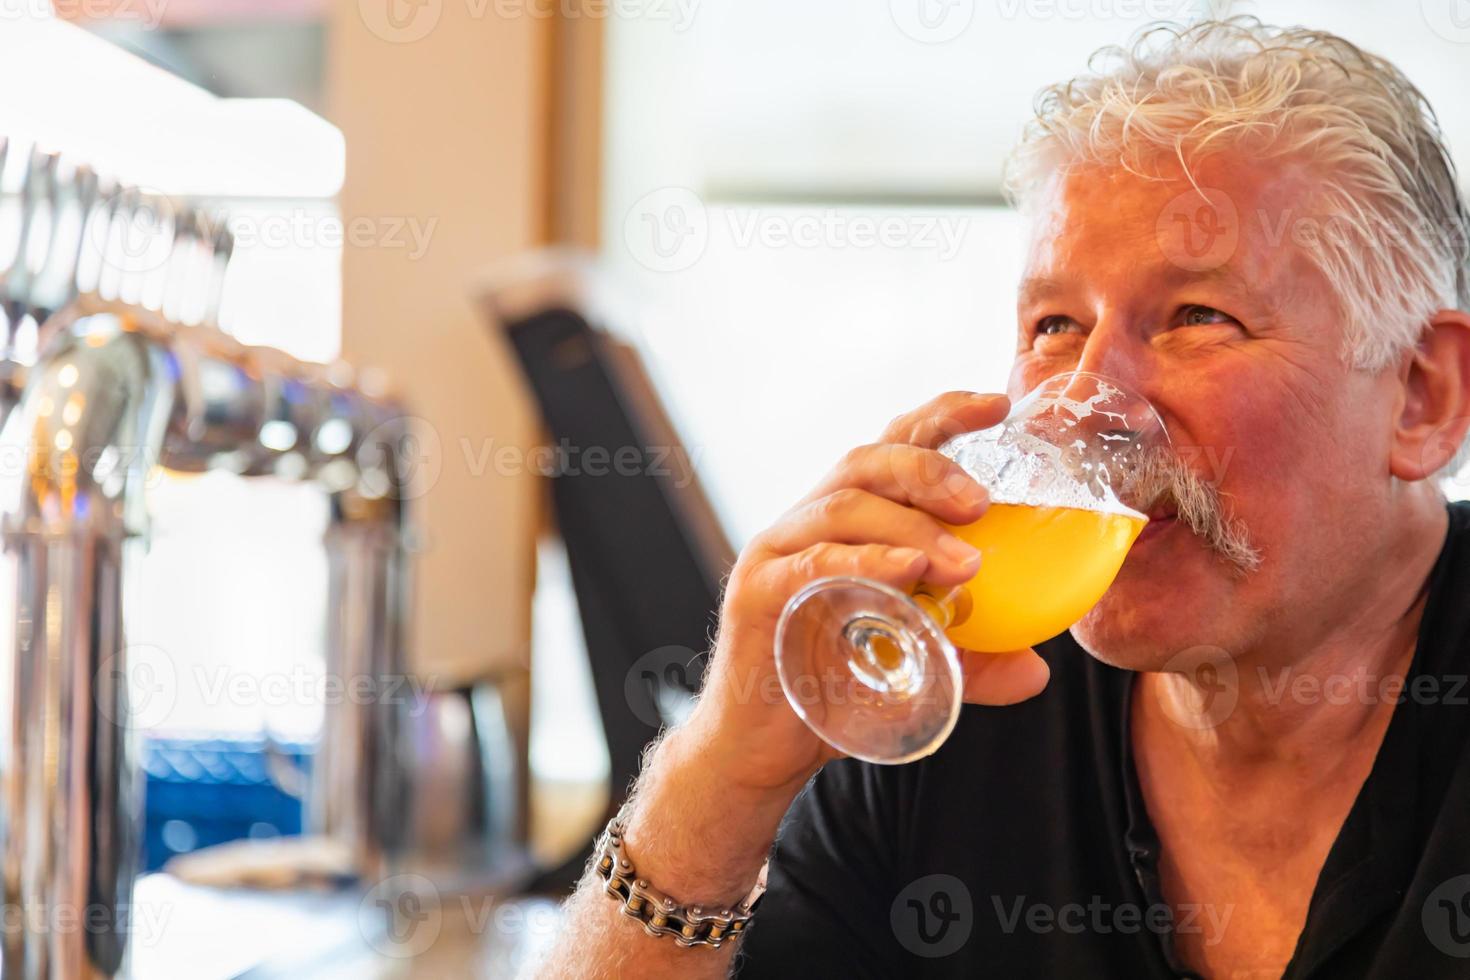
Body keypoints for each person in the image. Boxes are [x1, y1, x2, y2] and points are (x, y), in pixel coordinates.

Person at [537, 18, 1470, 978]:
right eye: (1055, 326)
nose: (1083, 399)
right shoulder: (951, 704)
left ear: (1421, 395)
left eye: (1200, 317)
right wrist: (720, 775)